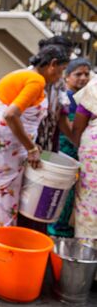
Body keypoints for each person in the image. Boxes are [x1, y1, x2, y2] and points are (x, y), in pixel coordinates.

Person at [0, 45, 69, 237]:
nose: (60, 76)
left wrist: (29, 143)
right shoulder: (36, 80)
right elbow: (11, 115)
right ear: (52, 64)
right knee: (4, 198)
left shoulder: (22, 74)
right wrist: (31, 147)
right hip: (3, 146)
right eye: (61, 70)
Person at [18, 36, 74, 233]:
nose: (61, 72)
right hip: (27, 143)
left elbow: (61, 116)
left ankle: (36, 236)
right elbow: (14, 115)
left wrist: (79, 141)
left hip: (48, 143)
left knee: (43, 192)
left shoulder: (58, 84)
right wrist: (30, 146)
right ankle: (21, 235)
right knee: (25, 190)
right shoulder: (30, 77)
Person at [48, 58, 91, 237]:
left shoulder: (87, 96)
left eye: (86, 74)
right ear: (67, 77)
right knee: (61, 191)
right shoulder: (66, 96)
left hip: (80, 151)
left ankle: (65, 227)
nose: (83, 78)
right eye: (78, 74)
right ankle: (56, 229)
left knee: (75, 192)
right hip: (65, 149)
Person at [70, 77, 97, 247]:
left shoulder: (95, 86)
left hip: (93, 151)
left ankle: (86, 256)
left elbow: (78, 125)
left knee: (88, 202)